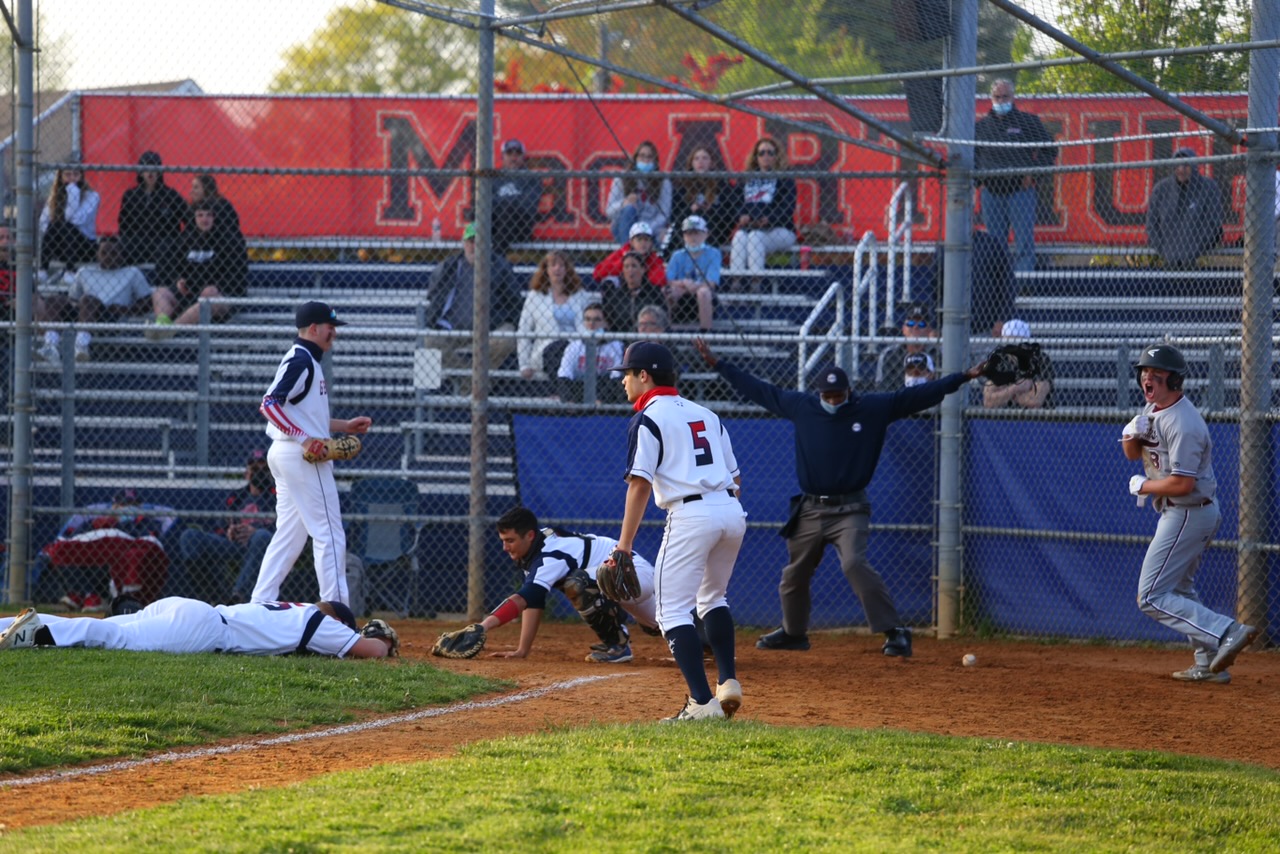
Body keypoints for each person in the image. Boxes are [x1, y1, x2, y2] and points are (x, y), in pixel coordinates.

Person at [693, 337, 988, 659]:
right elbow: (760, 390)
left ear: (849, 392)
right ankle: (793, 633)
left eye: (839, 395)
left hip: (850, 507)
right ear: (819, 394)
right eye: (828, 396)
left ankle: (895, 631)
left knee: (853, 563)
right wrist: (719, 365)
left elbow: (917, 396)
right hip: (810, 508)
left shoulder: (872, 409)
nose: (833, 400)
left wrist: (964, 377)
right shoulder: (802, 406)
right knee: (794, 573)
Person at [607, 341, 746, 721]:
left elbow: (639, 484)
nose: (623, 383)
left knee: (670, 612)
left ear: (644, 376)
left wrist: (624, 545)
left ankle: (702, 704)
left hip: (690, 514)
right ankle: (728, 681)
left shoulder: (648, 418)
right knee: (714, 598)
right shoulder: (707, 413)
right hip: (731, 509)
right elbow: (736, 477)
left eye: (627, 375)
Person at [1122, 343, 1256, 683]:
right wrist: (1130, 434)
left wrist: (1143, 486)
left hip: (1188, 511)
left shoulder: (1184, 423)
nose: (1147, 378)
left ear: (1174, 380)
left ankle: (1226, 631)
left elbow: (1182, 484)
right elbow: (1132, 453)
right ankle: (1207, 662)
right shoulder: (1153, 407)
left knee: (1150, 596)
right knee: (1178, 589)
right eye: (1144, 372)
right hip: (1182, 512)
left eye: (1156, 374)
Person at [254, 301, 372, 606]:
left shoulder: (305, 360)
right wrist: (305, 440)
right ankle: (336, 612)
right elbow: (269, 404)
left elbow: (298, 412)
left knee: (290, 537)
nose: (334, 332)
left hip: (286, 454)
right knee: (330, 534)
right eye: (330, 327)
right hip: (301, 457)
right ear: (313, 329)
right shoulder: (302, 360)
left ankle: (260, 604)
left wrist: (344, 425)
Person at [465, 506, 659, 662]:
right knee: (660, 625)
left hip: (632, 574)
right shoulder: (535, 551)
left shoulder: (550, 555)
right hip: (621, 581)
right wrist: (522, 650)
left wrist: (483, 626)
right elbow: (534, 601)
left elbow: (525, 598)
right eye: (503, 541)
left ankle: (617, 645)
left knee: (578, 583)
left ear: (530, 536)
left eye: (510, 541)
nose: (505, 547)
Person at [0, 599, 394, 658]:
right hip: (204, 630)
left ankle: (9, 626)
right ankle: (31, 636)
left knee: (108, 627)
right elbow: (371, 651)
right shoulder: (321, 622)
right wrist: (381, 638)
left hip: (190, 609)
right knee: (112, 637)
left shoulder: (296, 609)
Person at [37, 488, 170, 613]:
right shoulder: (97, 521)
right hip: (96, 559)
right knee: (64, 549)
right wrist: (99, 526)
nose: (128, 508)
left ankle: (113, 599)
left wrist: (121, 527)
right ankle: (84, 593)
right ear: (114, 507)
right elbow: (74, 539)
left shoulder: (147, 522)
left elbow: (148, 543)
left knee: (131, 556)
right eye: (122, 505)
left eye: (133, 504)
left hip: (121, 561)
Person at [974, 79, 1058, 274]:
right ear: (991, 98)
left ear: (1013, 97)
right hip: (991, 192)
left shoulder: (1028, 122)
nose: (1001, 100)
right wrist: (979, 181)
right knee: (995, 244)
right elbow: (973, 155)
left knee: (1024, 242)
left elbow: (1050, 151)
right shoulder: (981, 126)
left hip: (1021, 191)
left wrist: (1033, 173)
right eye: (997, 97)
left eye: (1005, 96)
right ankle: (997, 285)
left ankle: (1023, 284)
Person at [422, 222, 522, 386]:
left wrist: (501, 320)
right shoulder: (450, 266)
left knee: (507, 338)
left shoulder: (501, 267)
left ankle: (469, 385)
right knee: (428, 341)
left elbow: (514, 303)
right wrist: (433, 320)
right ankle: (472, 385)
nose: (475, 246)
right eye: (471, 241)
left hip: (489, 331)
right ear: (464, 243)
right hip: (452, 330)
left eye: (480, 241)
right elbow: (434, 297)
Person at [176, 448, 276, 604]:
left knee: (261, 536)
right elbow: (220, 526)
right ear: (247, 473)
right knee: (189, 537)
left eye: (264, 468)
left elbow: (285, 531)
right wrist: (229, 531)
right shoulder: (236, 497)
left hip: (261, 547)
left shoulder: (278, 496)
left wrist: (255, 532)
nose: (259, 472)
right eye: (255, 468)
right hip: (234, 545)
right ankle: (213, 597)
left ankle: (238, 597)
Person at [35, 237, 153, 364]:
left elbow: (147, 302)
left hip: (111, 315)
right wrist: (76, 305)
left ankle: (81, 345)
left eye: (113, 253)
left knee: (88, 299)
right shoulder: (85, 272)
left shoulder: (132, 272)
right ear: (97, 254)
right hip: (83, 312)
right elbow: (72, 299)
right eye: (104, 253)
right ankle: (50, 346)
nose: (108, 257)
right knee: (55, 299)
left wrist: (126, 310)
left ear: (122, 255)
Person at [147, 201, 248, 334]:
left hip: (220, 296)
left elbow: (237, 276)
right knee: (159, 292)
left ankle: (170, 331)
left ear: (215, 217)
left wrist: (217, 286)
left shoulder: (228, 240)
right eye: (200, 215)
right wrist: (179, 281)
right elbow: (174, 267)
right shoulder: (185, 240)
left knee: (208, 294)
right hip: (190, 293)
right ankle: (162, 323)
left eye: (208, 215)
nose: (204, 219)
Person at [517, 250, 593, 381]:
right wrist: (524, 364)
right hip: (546, 349)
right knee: (556, 352)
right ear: (546, 269)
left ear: (567, 269)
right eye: (553, 265)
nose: (557, 268)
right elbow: (524, 330)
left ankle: (560, 394)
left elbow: (588, 326)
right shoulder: (535, 296)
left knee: (566, 352)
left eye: (561, 265)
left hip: (574, 348)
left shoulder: (580, 295)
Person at [1145, 148, 1226, 270]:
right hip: (1168, 257)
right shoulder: (1161, 189)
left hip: (1199, 256)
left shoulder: (1208, 188)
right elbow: (1152, 225)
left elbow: (1214, 224)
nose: (1181, 169)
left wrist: (1193, 250)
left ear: (1193, 166)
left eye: (1186, 165)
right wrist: (1166, 251)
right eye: (1177, 165)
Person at [728, 137, 797, 278]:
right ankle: (736, 283)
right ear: (756, 157)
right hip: (750, 228)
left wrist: (768, 219)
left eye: (770, 153)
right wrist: (741, 216)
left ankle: (756, 285)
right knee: (739, 236)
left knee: (755, 237)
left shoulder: (785, 179)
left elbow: (787, 209)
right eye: (761, 153)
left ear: (776, 156)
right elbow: (735, 205)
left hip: (780, 230)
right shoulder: (745, 179)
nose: (766, 156)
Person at [117, 150, 188, 287]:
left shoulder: (170, 195)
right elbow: (123, 223)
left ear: (160, 171)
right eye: (146, 169)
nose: (150, 173)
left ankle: (163, 287)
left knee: (165, 249)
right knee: (122, 246)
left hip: (164, 241)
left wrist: (179, 239)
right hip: (139, 241)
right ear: (140, 171)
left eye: (154, 169)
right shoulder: (131, 195)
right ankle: (126, 286)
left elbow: (187, 219)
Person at [665, 145, 734, 254]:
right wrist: (691, 209)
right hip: (687, 229)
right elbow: (675, 215)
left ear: (712, 163)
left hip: (714, 229)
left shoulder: (721, 185)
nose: (700, 161)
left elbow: (730, 214)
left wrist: (712, 209)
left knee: (704, 216)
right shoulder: (683, 186)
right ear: (691, 163)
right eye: (696, 158)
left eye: (705, 158)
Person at [605, 140, 672, 246]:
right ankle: (628, 252)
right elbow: (609, 211)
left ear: (655, 161)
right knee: (629, 209)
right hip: (626, 227)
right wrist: (623, 203)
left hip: (651, 228)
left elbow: (664, 214)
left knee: (664, 235)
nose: (645, 160)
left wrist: (647, 228)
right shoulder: (621, 179)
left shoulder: (663, 182)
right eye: (642, 156)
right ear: (635, 159)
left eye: (649, 157)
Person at [556, 302, 625, 404]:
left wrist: (602, 399)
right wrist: (568, 400)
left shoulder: (615, 346)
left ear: (606, 323)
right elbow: (564, 375)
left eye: (597, 320)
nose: (591, 323)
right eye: (587, 319)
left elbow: (616, 377)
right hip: (579, 388)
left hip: (605, 389)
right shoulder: (574, 346)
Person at [39, 161, 100, 270]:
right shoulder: (54, 198)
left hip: (84, 246)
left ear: (81, 176)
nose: (72, 179)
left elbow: (76, 221)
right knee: (57, 225)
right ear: (61, 178)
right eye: (67, 175)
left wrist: (73, 192)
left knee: (66, 226)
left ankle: (70, 270)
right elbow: (43, 223)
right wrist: (58, 229)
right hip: (61, 247)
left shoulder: (92, 196)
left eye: (76, 174)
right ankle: (43, 269)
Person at [665, 215, 721, 331]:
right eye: (689, 233)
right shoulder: (677, 255)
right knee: (670, 291)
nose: (693, 237)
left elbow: (711, 283)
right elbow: (668, 280)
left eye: (696, 233)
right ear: (684, 236)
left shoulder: (714, 253)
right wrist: (684, 283)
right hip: (682, 297)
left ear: (705, 234)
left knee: (703, 292)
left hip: (704, 298)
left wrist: (693, 286)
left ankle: (705, 333)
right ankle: (667, 330)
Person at [982, 319, 1054, 409]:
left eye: (1017, 341)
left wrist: (1004, 394)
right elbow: (988, 402)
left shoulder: (1040, 359)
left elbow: (1035, 401)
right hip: (1004, 417)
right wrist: (1015, 388)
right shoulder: (999, 360)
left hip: (1037, 418)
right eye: (1009, 341)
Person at [491, 139, 543, 254]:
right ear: (503, 156)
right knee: (480, 212)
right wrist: (509, 202)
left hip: (520, 227)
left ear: (523, 157)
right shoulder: (493, 178)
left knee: (507, 208)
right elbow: (484, 204)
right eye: (509, 153)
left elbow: (528, 206)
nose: (513, 158)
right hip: (495, 224)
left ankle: (496, 256)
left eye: (517, 154)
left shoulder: (532, 178)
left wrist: (502, 203)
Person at [875, 303, 939, 390]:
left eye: (921, 324)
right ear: (904, 329)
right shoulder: (890, 354)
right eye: (911, 323)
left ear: (928, 330)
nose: (915, 327)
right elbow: (883, 389)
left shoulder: (937, 355)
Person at [601, 251, 665, 337]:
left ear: (643, 269)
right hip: (619, 341)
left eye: (634, 266)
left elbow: (662, 319)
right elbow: (608, 322)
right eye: (626, 267)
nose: (630, 270)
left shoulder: (654, 293)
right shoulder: (614, 296)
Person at [592, 220, 668, 288]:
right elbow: (598, 272)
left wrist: (641, 267)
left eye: (646, 239)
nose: (643, 243)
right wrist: (625, 263)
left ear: (651, 243)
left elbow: (660, 280)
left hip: (644, 291)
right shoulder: (621, 252)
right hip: (622, 290)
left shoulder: (653, 257)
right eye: (639, 239)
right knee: (610, 281)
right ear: (631, 242)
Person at [190, 173, 243, 238]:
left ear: (206, 187)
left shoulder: (221, 205)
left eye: (196, 187)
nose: (191, 191)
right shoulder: (195, 206)